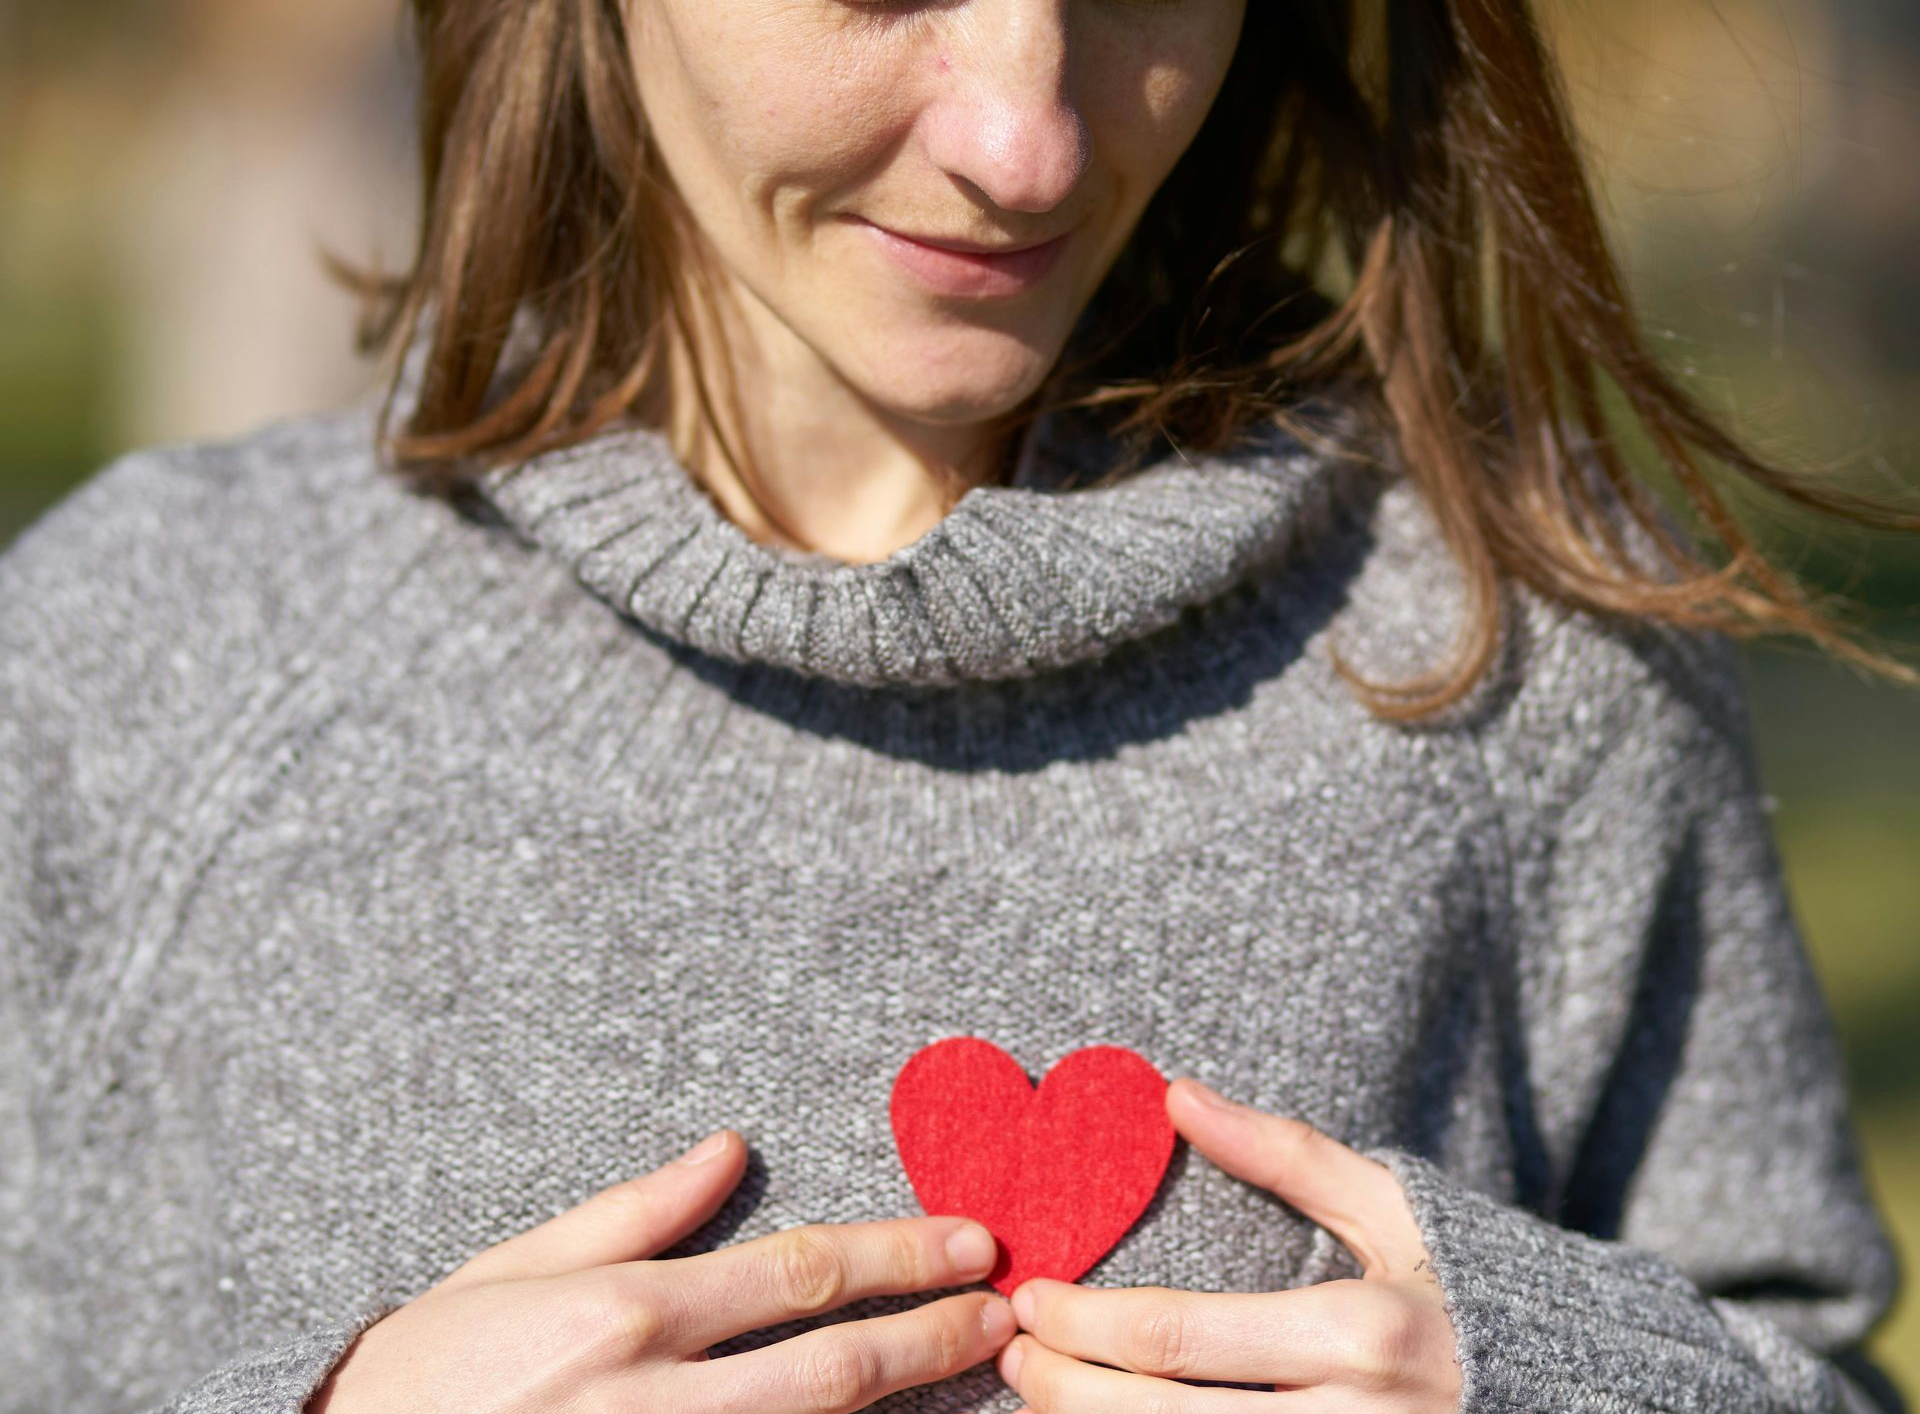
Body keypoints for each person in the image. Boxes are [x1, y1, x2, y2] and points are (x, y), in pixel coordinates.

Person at [2, 2, 1915, 1413]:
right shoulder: (136, 659)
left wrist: (1563, 1387)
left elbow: (1803, 1365)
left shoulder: (1518, 631)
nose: (1029, 139)